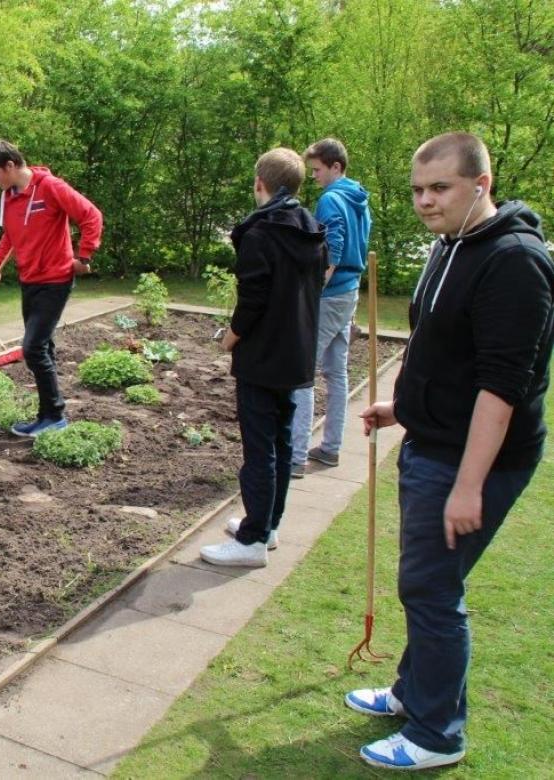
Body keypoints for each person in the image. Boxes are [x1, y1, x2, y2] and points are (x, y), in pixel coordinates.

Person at [349, 133, 553, 771]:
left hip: (476, 460)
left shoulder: (515, 261)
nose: (425, 201)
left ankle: (438, 735)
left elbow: (502, 386)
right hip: (435, 441)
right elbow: (438, 345)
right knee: (426, 584)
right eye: (417, 190)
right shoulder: (450, 245)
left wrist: (470, 484)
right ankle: (414, 693)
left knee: (432, 589)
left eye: (440, 188)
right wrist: (403, 409)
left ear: (481, 185)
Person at [199, 148, 326, 568]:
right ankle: (267, 525)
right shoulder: (310, 228)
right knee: (282, 440)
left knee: (260, 449)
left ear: (260, 183)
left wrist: (230, 338)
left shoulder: (260, 233)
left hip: (264, 355)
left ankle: (252, 542)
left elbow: (252, 300)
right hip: (295, 353)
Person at [0, 139, 103, 437]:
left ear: (10, 166)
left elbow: (92, 216)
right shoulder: (9, 197)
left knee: (32, 348)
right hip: (29, 280)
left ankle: (56, 416)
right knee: (43, 347)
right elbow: (9, 237)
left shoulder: (51, 187)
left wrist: (84, 255)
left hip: (55, 279)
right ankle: (45, 415)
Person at [290, 138, 372, 478]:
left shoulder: (331, 200)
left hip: (331, 295)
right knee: (336, 372)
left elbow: (333, 248)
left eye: (318, 170)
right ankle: (331, 447)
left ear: (336, 167)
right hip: (351, 292)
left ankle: (294, 457)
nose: (314, 177)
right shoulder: (359, 199)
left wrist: (313, 289)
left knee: (302, 372)